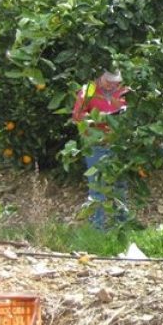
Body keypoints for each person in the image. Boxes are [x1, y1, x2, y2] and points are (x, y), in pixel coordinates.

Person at [71, 70, 129, 229]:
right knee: (97, 187)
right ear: (100, 77)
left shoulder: (124, 90)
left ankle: (121, 225)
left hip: (119, 143)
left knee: (120, 186)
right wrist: (99, 117)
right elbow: (77, 116)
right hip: (97, 144)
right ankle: (97, 229)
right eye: (108, 81)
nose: (112, 85)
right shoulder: (88, 91)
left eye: (115, 82)